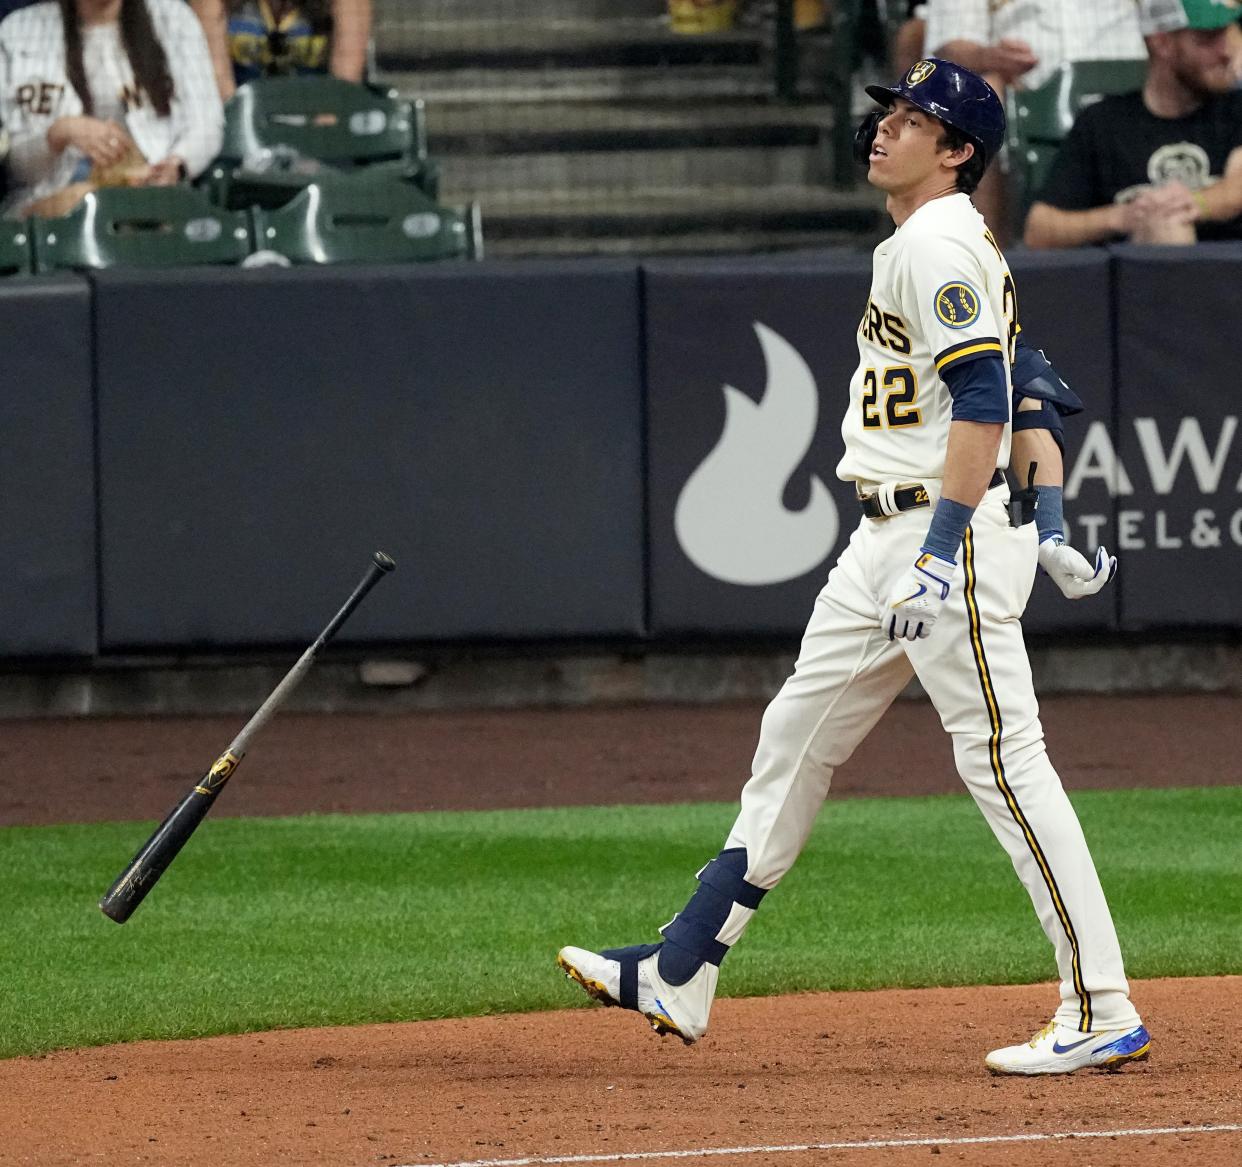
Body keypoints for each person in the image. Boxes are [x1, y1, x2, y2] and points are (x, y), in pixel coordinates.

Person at [558, 57, 1151, 1078]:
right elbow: (1033, 382)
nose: (885, 129)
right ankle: (684, 966)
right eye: (889, 112)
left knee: (1008, 766)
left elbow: (984, 405)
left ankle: (1100, 1005)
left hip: (935, 542)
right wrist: (1046, 515)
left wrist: (940, 553)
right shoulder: (924, 243)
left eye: (914, 119)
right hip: (881, 543)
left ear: (958, 152)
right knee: (793, 739)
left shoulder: (939, 243)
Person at [1025, 0, 1242, 249]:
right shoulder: (1103, 123)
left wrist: (1190, 205)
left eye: (1226, 35)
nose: (1226, 51)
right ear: (1162, 42)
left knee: (1169, 224)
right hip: (1136, 277)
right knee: (1165, 227)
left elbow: (1238, 187)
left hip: (1229, 276)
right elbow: (1039, 230)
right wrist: (1120, 217)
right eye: (1207, 39)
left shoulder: (1235, 108)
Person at [923, 0, 1146, 241]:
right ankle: (988, 259)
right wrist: (989, 57)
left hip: (1134, 87)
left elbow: (1171, 23)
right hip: (1025, 90)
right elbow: (950, 45)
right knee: (974, 95)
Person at [0, 0, 223, 217]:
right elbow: (19, 167)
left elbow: (206, 124)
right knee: (82, 200)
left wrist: (177, 164)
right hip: (54, 196)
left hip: (154, 189)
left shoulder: (172, 17)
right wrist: (59, 132)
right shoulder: (18, 31)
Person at [189, 0, 371, 101]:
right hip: (242, 119)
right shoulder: (211, 4)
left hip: (318, 117)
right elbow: (219, 85)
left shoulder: (349, 4)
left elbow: (343, 87)